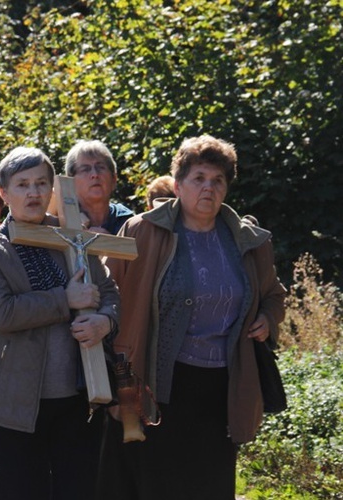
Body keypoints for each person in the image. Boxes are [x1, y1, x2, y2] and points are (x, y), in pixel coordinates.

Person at [98, 135, 287, 499]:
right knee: (153, 483)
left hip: (221, 389)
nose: (208, 188)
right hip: (156, 383)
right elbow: (111, 296)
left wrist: (267, 316)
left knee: (209, 485)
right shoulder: (144, 231)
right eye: (199, 178)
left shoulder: (249, 240)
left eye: (218, 180)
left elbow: (273, 295)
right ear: (178, 183)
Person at [0, 147, 120, 499]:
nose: (33, 193)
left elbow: (109, 290)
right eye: (22, 185)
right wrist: (63, 300)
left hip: (79, 397)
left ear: (53, 190)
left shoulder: (73, 237)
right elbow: (0, 314)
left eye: (41, 183)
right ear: (4, 194)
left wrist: (105, 321)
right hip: (16, 401)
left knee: (77, 490)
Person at [65, 140, 134, 234]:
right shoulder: (61, 222)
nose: (95, 174)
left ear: (113, 179)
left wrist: (109, 243)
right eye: (85, 169)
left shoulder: (128, 222)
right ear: (70, 182)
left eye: (100, 167)